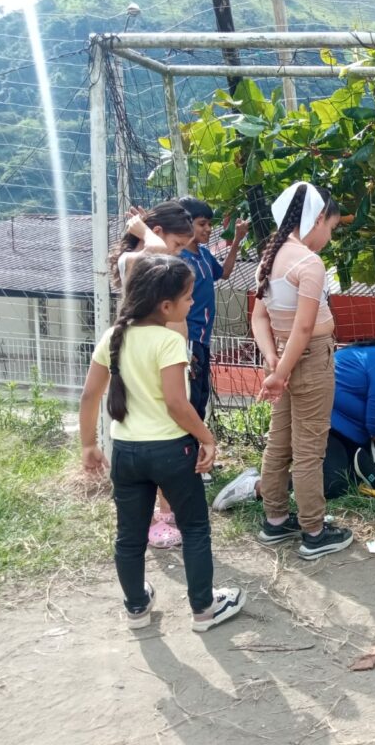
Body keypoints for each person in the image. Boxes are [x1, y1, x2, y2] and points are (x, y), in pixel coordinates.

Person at [78, 255, 244, 632]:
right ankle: (204, 609)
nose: (191, 303)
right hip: (171, 451)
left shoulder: (112, 337)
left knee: (130, 535)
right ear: (165, 306)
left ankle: (137, 607)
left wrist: (89, 444)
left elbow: (89, 396)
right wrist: (207, 437)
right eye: (187, 298)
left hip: (126, 453)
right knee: (196, 528)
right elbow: (176, 404)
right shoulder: (169, 342)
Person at [252, 181, 353, 561]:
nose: (329, 235)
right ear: (318, 217)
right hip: (309, 360)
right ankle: (314, 530)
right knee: (309, 450)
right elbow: (305, 328)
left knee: (279, 444)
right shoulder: (309, 263)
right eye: (331, 226)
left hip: (285, 359)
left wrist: (275, 363)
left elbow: (259, 319)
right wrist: (282, 370)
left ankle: (276, 520)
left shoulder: (270, 258)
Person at [212, 340, 375, 509]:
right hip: (321, 421)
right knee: (332, 482)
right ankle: (255, 486)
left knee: (354, 476)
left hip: (346, 430)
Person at [110, 201, 195, 550]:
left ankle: (164, 511)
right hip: (149, 368)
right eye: (177, 246)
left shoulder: (151, 260)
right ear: (158, 235)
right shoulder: (137, 261)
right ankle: (155, 518)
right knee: (160, 438)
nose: (177, 255)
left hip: (168, 361)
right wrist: (142, 228)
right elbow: (157, 249)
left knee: (170, 439)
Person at [176, 196, 249, 423]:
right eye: (202, 224)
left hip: (203, 339)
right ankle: (187, 452)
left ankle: (197, 452)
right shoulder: (177, 259)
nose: (208, 229)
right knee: (190, 396)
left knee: (201, 396)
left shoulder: (205, 255)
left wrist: (237, 240)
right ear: (185, 224)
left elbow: (224, 273)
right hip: (187, 338)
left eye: (209, 224)